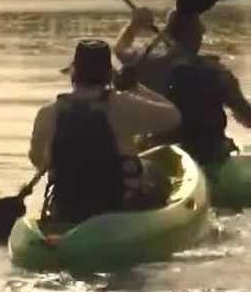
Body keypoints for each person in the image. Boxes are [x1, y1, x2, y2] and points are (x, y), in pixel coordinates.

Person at [29, 39, 182, 224]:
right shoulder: (122, 105)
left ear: (73, 72)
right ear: (109, 74)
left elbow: (37, 159)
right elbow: (174, 117)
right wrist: (134, 87)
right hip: (118, 207)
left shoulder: (48, 113)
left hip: (67, 207)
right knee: (155, 172)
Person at [116, 7, 251, 166]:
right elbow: (246, 116)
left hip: (160, 151)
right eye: (199, 28)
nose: (203, 31)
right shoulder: (217, 71)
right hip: (209, 154)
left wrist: (134, 25)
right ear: (195, 34)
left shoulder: (148, 65)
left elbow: (121, 50)